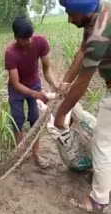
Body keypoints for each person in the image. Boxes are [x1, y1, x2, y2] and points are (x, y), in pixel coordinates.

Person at [55, 0, 111, 212]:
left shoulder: (100, 32)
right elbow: (81, 50)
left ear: (86, 12)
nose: (69, 19)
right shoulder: (98, 10)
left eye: (72, 14)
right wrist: (66, 80)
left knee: (102, 144)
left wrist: (61, 114)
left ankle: (99, 201)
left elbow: (84, 82)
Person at [4, 16, 57, 169]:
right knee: (17, 120)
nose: (28, 41)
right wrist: (35, 94)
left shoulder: (40, 42)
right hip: (17, 89)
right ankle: (19, 156)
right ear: (16, 37)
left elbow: (47, 70)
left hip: (34, 83)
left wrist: (55, 85)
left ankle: (36, 154)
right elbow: (15, 82)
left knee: (35, 118)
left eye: (30, 37)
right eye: (24, 39)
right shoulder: (10, 53)